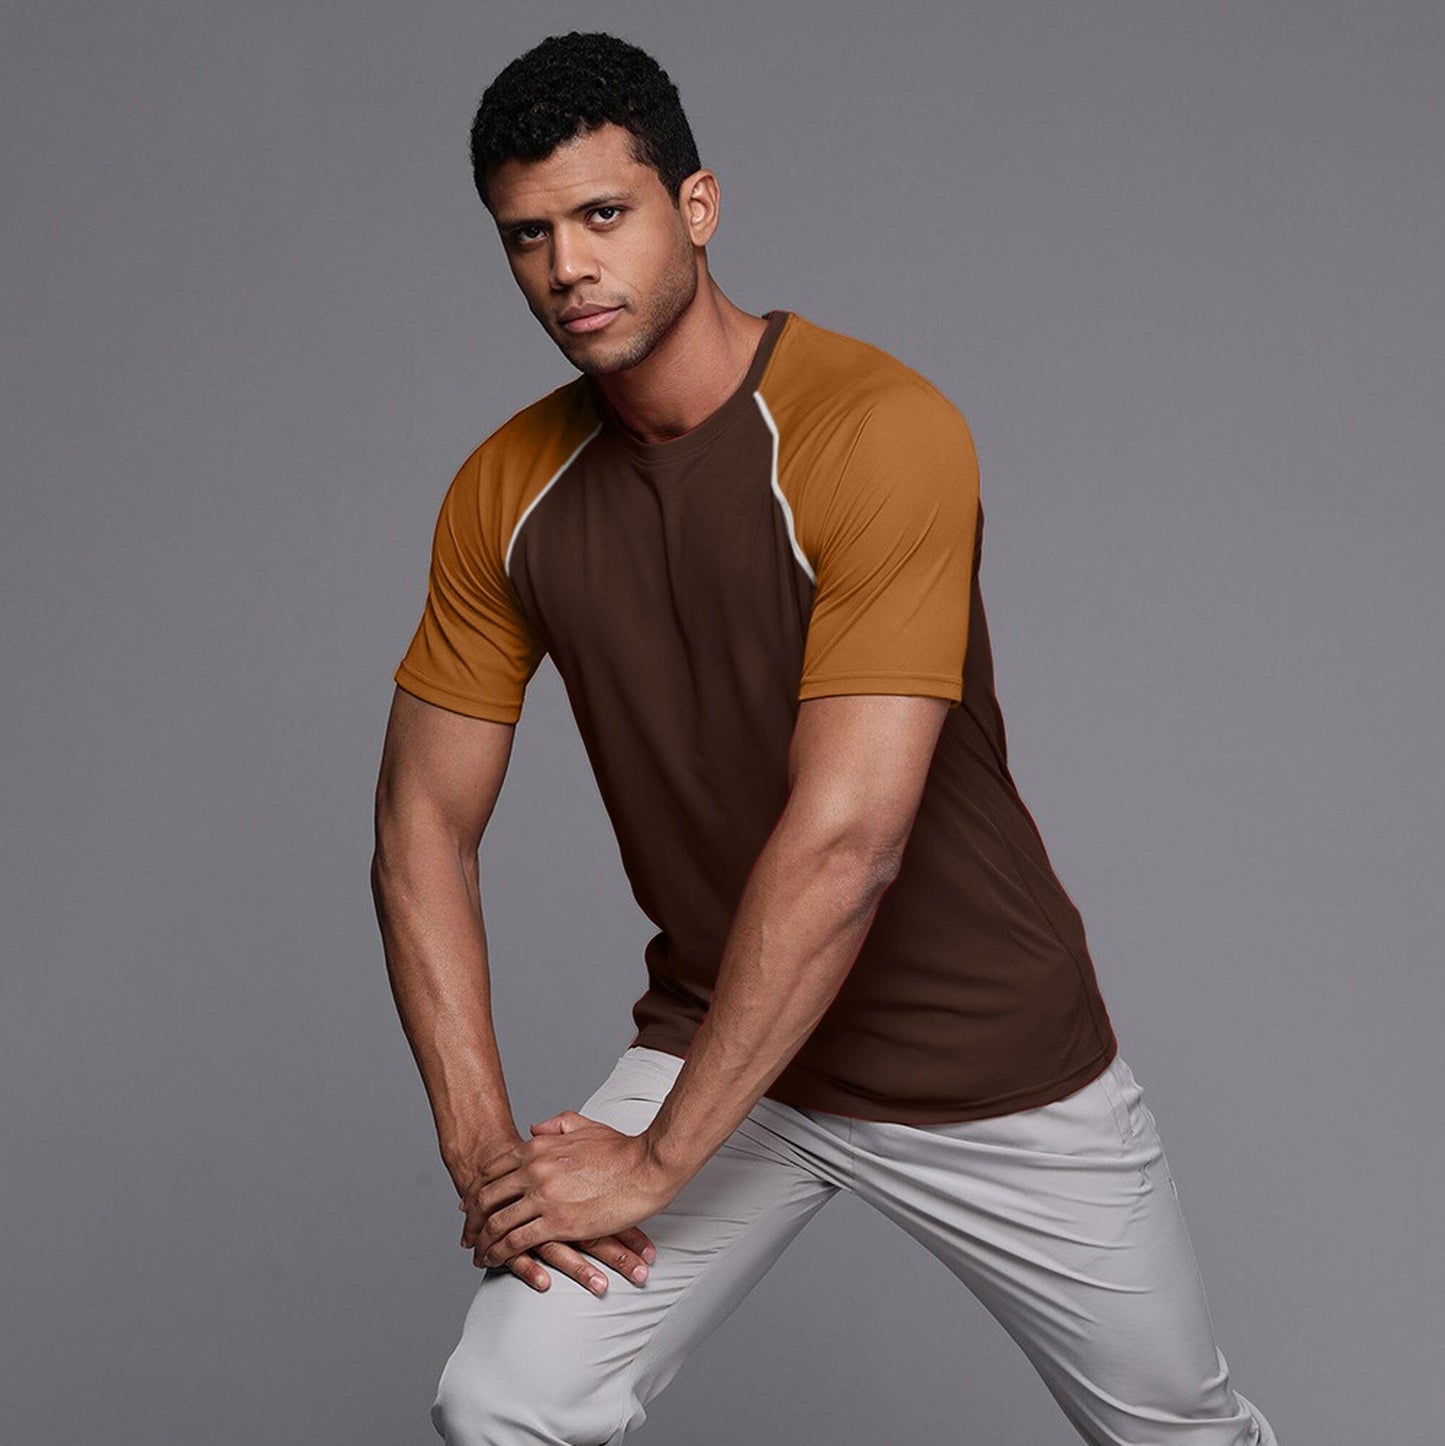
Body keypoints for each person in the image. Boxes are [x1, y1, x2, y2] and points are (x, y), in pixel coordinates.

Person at [371, 29, 1280, 1446]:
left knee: (1182, 1432)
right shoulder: (507, 490)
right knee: (503, 1397)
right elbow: (421, 827)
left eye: (602, 214)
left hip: (982, 1055)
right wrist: (483, 1148)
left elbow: (849, 842)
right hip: (728, 1043)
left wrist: (654, 1163)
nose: (567, 268)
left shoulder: (876, 432)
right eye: (527, 236)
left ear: (697, 206)